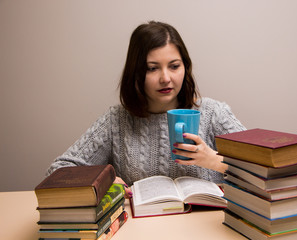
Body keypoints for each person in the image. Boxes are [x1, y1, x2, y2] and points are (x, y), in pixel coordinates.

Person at [46, 21, 246, 197]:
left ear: (185, 67)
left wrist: (215, 161)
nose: (165, 78)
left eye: (174, 66)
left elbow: (267, 170)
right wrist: (102, 180)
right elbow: (59, 170)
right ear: (136, 72)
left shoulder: (214, 114)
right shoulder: (117, 120)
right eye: (152, 68)